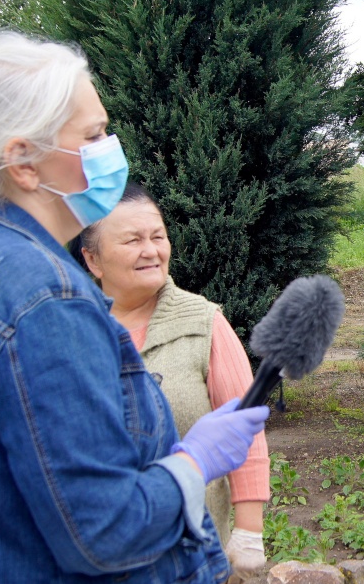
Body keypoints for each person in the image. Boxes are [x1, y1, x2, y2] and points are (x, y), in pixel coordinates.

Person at [0, 31, 271, 583]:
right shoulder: (44, 298)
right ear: (25, 164)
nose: (111, 149)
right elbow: (105, 532)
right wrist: (195, 460)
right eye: (94, 134)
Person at [70, 183, 270, 581]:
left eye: (157, 237)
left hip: (192, 556)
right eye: (132, 240)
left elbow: (245, 431)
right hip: (97, 557)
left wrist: (249, 532)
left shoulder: (204, 322)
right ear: (93, 260)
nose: (151, 250)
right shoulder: (71, 331)